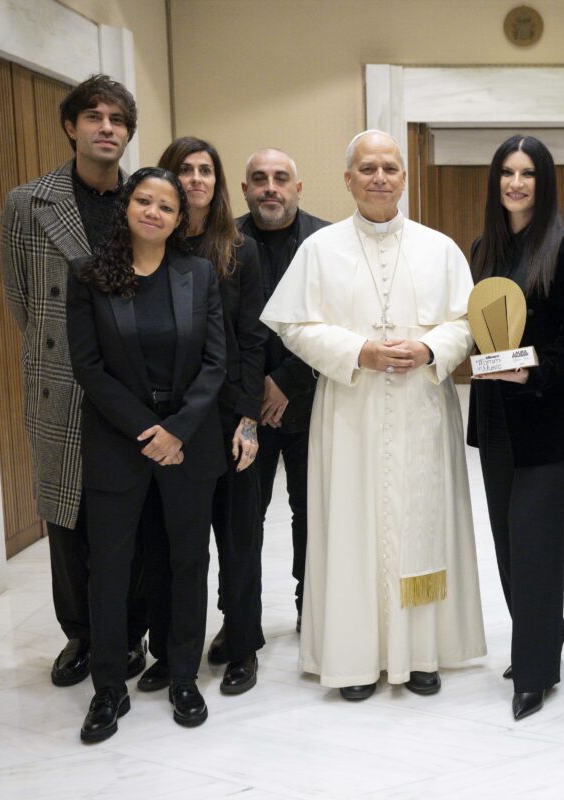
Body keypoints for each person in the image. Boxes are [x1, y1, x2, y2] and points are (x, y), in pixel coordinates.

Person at [260, 130, 485, 701]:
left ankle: (423, 652)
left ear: (404, 177)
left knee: (421, 525)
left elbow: (467, 321)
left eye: (389, 167)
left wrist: (432, 349)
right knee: (352, 527)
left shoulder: (440, 248)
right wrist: (356, 351)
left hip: (421, 410)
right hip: (352, 410)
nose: (379, 177)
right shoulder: (319, 249)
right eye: (367, 168)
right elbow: (293, 325)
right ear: (348, 179)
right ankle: (354, 658)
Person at [66, 167, 226, 742]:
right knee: (109, 566)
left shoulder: (198, 274)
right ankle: (108, 687)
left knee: (187, 560)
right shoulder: (89, 274)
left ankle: (184, 674)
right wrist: (147, 431)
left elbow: (215, 364)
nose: (154, 212)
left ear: (180, 219)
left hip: (188, 443)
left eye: (166, 206)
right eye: (144, 201)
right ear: (126, 207)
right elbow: (89, 368)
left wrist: (176, 430)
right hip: (118, 440)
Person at [0, 74, 147, 687]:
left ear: (128, 134)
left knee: (136, 517)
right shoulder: (27, 203)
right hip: (60, 380)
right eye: (94, 117)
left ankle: (131, 634)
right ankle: (82, 635)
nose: (106, 128)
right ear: (72, 127)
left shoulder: (144, 200)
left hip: (133, 382)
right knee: (68, 516)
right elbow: (19, 299)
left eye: (117, 119)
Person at [466, 135, 564, 720]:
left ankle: (535, 671)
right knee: (505, 542)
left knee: (534, 543)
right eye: (506, 173)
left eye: (528, 175)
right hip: (496, 421)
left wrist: (529, 370)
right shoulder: (483, 250)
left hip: (548, 423)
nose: (515, 183)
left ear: (543, 185)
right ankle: (544, 633)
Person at [150, 137, 268, 695]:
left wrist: (248, 421)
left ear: (218, 183)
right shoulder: (150, 245)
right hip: (172, 423)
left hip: (227, 418)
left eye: (205, 171)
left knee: (239, 537)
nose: (196, 179)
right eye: (185, 170)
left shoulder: (238, 249)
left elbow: (252, 341)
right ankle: (175, 651)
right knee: (176, 544)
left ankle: (242, 646)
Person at [236, 148, 330, 634]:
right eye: (259, 179)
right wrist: (258, 391)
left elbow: (336, 321)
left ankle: (309, 612)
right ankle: (242, 625)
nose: (269, 187)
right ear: (245, 189)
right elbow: (218, 329)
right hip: (243, 413)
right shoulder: (224, 241)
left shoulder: (328, 241)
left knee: (311, 514)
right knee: (242, 522)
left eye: (280, 178)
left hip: (313, 402)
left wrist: (286, 383)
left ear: (298, 187)